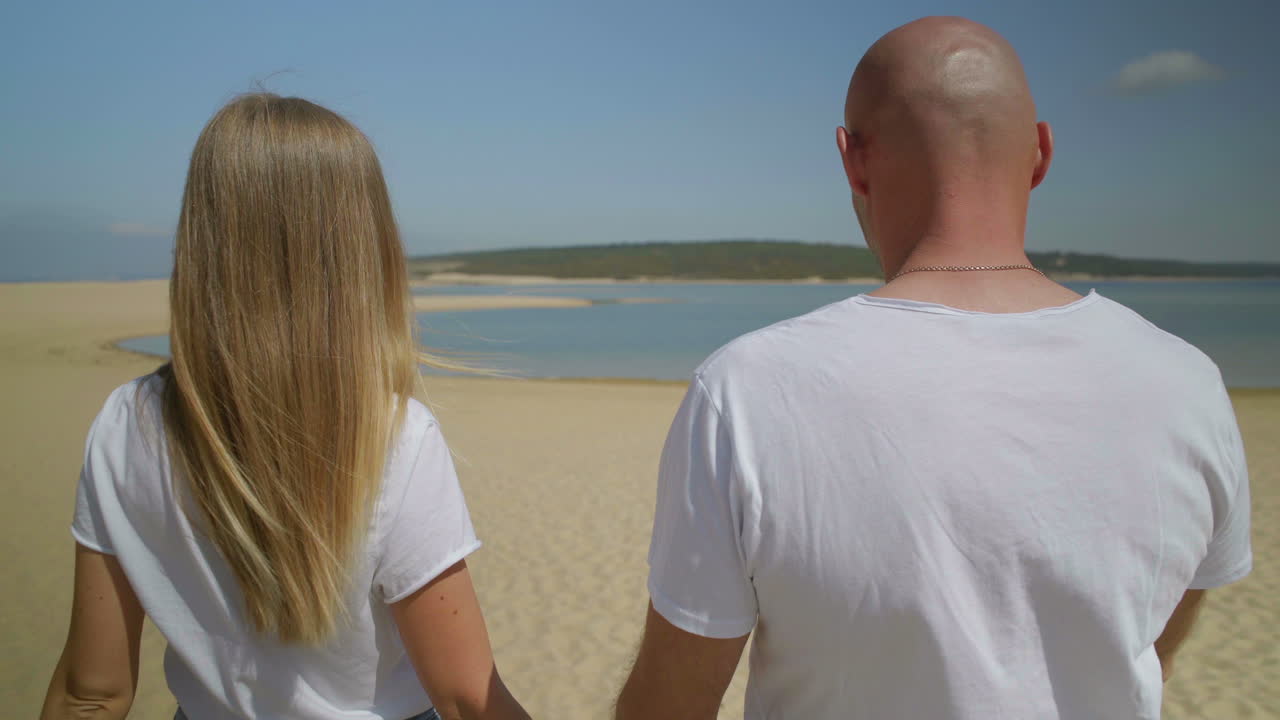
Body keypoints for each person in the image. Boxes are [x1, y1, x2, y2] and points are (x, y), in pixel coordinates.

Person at [616, 16, 1251, 720]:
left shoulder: (745, 391)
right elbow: (1152, 641)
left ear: (852, 161)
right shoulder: (1188, 385)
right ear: (1040, 153)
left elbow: (670, 705)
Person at [40, 94, 529, 720]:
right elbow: (466, 699)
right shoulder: (393, 436)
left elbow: (93, 692)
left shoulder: (127, 422)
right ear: (359, 249)